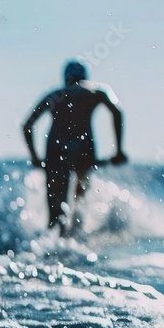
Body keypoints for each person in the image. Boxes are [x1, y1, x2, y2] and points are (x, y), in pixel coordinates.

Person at [22, 60, 127, 233]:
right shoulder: (95, 91)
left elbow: (27, 126)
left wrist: (34, 157)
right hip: (83, 150)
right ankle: (74, 238)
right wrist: (118, 150)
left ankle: (54, 244)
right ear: (85, 76)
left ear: (65, 78)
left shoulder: (55, 95)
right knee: (79, 206)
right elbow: (117, 111)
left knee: (55, 215)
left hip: (55, 152)